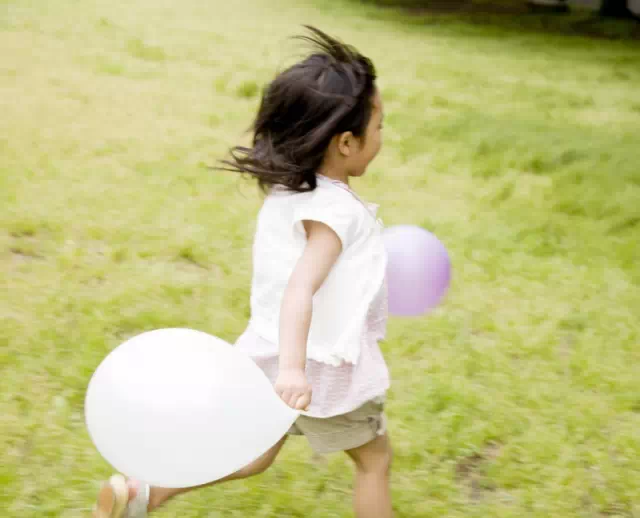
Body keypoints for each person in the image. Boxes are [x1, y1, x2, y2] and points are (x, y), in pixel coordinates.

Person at [93, 26, 392, 518]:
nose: (381, 138)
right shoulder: (337, 213)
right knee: (375, 461)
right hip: (317, 370)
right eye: (378, 127)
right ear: (345, 142)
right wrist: (294, 370)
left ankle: (144, 492)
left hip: (266, 354)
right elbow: (300, 288)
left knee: (254, 453)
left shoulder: (290, 192)